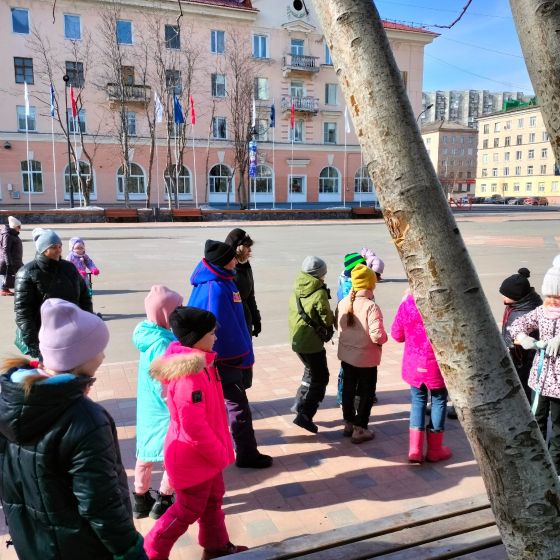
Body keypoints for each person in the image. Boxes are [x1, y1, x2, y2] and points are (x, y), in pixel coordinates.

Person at [0, 299, 147, 560]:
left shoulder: (9, 400)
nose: (104, 355)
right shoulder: (85, 420)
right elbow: (100, 503)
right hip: (83, 549)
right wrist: (130, 550)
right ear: (81, 358)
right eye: (99, 349)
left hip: (33, 545)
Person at [143, 306, 248, 560]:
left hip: (207, 455)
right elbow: (193, 427)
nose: (216, 337)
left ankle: (216, 546)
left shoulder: (204, 363)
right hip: (194, 457)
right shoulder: (189, 376)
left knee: (213, 501)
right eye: (211, 333)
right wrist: (218, 452)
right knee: (187, 510)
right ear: (195, 338)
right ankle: (150, 551)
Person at [188, 240, 272, 469]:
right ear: (223, 261)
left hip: (226, 357)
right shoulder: (214, 287)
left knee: (229, 406)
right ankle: (246, 453)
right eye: (232, 258)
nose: (236, 260)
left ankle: (233, 451)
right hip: (223, 359)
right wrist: (233, 356)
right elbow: (216, 329)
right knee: (237, 406)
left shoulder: (224, 280)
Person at [132, 285, 183, 520]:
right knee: (172, 454)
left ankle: (140, 499)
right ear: (165, 313)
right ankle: (164, 498)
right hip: (163, 407)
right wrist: (176, 407)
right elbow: (164, 382)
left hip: (147, 406)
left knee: (145, 453)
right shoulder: (163, 344)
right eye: (177, 309)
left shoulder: (148, 335)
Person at [509, 255, 560, 473]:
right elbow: (517, 324)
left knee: (558, 430)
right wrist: (523, 337)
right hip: (539, 380)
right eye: (549, 295)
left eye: (557, 296)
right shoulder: (541, 311)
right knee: (536, 421)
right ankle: (538, 466)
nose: (552, 300)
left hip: (559, 386)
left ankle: (555, 470)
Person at [391, 291, 452, 463]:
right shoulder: (445, 303)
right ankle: (435, 450)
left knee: (418, 400)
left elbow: (397, 335)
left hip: (414, 362)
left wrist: (403, 303)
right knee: (439, 400)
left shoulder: (408, 303)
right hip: (437, 364)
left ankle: (415, 450)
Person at [14, 228, 92, 359]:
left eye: (60, 246)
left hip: (73, 332)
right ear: (43, 249)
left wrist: (89, 321)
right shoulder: (26, 273)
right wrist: (33, 343)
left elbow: (84, 297)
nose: (59, 250)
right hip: (46, 337)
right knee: (53, 369)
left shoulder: (69, 267)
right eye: (54, 247)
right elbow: (23, 312)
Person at [336, 264, 387, 443]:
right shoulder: (371, 306)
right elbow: (377, 335)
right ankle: (360, 428)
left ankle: (348, 423)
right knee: (366, 392)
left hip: (347, 356)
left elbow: (338, 326)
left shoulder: (343, 302)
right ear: (370, 283)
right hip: (366, 358)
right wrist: (384, 338)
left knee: (348, 390)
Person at [289, 256, 334, 434]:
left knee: (309, 370)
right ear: (319, 274)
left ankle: (299, 404)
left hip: (297, 340)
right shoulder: (318, 291)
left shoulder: (297, 286)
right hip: (312, 343)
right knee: (321, 377)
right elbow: (326, 317)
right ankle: (306, 415)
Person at [336, 249, 385, 405]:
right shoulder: (359, 296)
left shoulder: (347, 287)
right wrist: (383, 338)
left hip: (348, 343)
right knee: (360, 379)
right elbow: (377, 334)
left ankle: (346, 402)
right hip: (362, 344)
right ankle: (353, 401)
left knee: (348, 375)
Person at [225, 228, 262, 389]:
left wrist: (256, 318)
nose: (250, 251)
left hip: (245, 317)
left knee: (246, 357)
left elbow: (250, 294)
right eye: (248, 248)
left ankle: (243, 390)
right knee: (236, 359)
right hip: (234, 320)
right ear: (239, 249)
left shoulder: (245, 265)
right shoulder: (227, 269)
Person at [499, 267, 542, 401]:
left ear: (517, 297)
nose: (503, 298)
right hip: (514, 355)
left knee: (523, 389)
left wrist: (512, 345)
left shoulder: (527, 312)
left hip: (522, 361)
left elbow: (529, 340)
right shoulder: (516, 305)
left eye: (506, 295)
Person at [0, 216, 23, 296]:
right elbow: (6, 250)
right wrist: (8, 263)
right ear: (14, 227)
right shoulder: (8, 235)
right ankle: (4, 289)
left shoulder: (12, 234)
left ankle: (5, 289)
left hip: (15, 259)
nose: (20, 228)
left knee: (11, 275)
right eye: (19, 227)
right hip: (9, 260)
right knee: (8, 275)